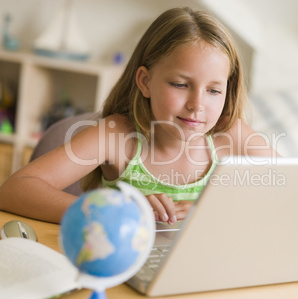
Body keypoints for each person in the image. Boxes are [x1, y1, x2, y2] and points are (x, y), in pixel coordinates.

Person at [0, 7, 277, 224]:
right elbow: (15, 190)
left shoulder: (231, 136)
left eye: (214, 91)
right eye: (180, 85)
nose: (197, 104)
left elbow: (295, 194)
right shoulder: (117, 137)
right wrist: (116, 209)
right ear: (145, 81)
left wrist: (209, 213)